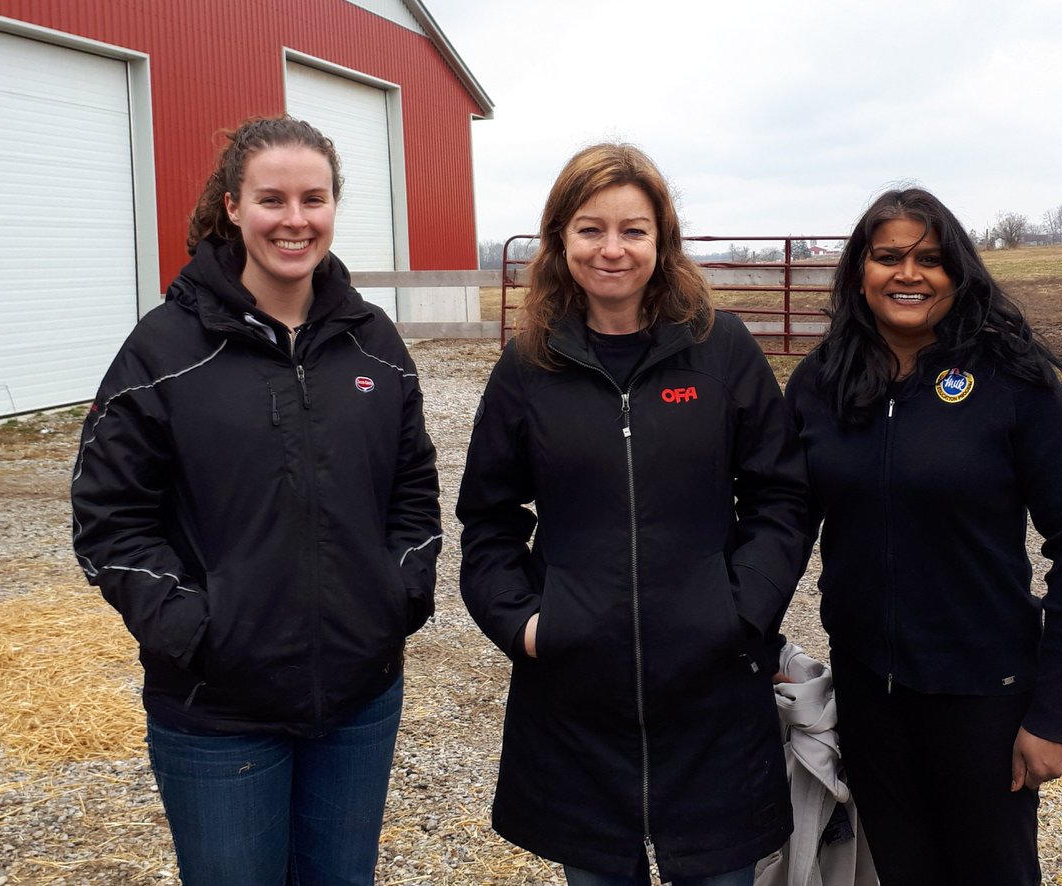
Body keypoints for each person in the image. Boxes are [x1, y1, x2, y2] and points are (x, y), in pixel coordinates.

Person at [70, 116, 442, 885]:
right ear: (233, 207)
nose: (295, 219)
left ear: (335, 206)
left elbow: (413, 486)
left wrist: (395, 595)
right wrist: (199, 630)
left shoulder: (375, 344)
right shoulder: (164, 349)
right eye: (271, 198)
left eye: (314, 198)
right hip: (216, 709)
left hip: (358, 695)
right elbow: (108, 519)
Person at [455, 143, 809, 886]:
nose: (611, 249)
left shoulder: (721, 350)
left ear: (662, 240)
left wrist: (740, 613)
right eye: (590, 229)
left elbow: (780, 496)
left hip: (711, 694)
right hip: (578, 705)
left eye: (633, 230)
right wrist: (526, 624)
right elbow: (487, 519)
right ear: (559, 241)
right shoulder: (529, 366)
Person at [783, 188, 1062, 885]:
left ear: (957, 272)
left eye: (929, 258)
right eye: (888, 256)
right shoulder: (822, 383)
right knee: (901, 872)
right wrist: (748, 647)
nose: (908, 273)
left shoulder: (1013, 381)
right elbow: (781, 524)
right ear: (859, 272)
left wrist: (1055, 713)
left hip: (985, 696)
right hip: (870, 691)